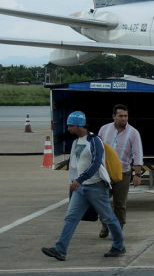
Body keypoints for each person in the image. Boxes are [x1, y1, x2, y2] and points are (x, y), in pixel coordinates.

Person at [42, 111, 125, 261]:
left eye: (70, 126)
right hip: (81, 188)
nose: (68, 129)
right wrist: (73, 182)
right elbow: (75, 166)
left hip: (96, 187)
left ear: (78, 125)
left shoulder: (94, 141)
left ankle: (119, 246)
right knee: (71, 217)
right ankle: (60, 250)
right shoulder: (76, 142)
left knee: (108, 218)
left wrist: (79, 179)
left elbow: (96, 163)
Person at [97, 104, 143, 239]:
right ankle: (105, 225)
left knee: (120, 204)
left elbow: (137, 154)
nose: (124, 119)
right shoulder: (104, 129)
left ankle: (118, 229)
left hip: (123, 173)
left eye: (126, 116)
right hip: (105, 173)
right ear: (114, 117)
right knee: (102, 201)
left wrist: (137, 174)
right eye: (121, 116)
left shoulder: (133, 133)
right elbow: (97, 149)